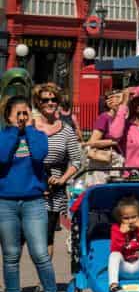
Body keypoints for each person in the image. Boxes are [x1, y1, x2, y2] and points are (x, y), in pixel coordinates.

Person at [0, 96, 62, 292]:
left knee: (40, 254)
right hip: (5, 202)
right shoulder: (3, 136)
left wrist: (28, 130)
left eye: (25, 112)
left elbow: (38, 155)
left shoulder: (38, 135)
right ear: (8, 116)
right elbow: (2, 156)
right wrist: (15, 132)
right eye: (17, 113)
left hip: (34, 201)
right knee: (11, 256)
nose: (22, 117)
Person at [31, 83, 83, 261]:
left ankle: (43, 282)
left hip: (53, 189)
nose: (50, 103)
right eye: (45, 99)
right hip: (28, 185)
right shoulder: (28, 126)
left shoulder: (66, 130)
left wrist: (62, 179)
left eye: (54, 99)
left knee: (46, 237)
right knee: (20, 238)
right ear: (38, 102)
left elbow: (77, 160)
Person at [84, 89, 126, 169]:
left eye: (120, 97)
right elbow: (92, 142)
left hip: (115, 161)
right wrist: (113, 142)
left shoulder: (121, 118)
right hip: (102, 163)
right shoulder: (104, 118)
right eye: (116, 97)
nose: (119, 101)